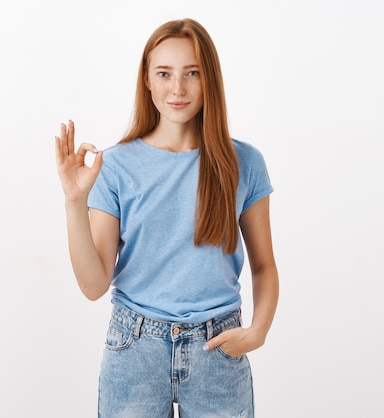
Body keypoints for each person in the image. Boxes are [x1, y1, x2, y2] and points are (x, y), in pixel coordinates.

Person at [54, 18, 278, 417]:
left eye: (192, 73)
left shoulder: (243, 162)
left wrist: (258, 330)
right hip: (135, 349)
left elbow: (264, 265)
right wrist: (75, 201)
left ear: (210, 79)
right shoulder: (116, 166)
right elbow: (93, 285)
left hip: (217, 350)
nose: (178, 88)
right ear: (147, 80)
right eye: (165, 73)